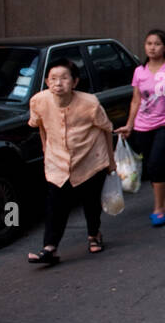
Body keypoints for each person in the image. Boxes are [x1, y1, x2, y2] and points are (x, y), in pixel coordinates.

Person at [27, 57, 115, 265]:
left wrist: (111, 161)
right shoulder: (39, 101)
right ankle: (50, 247)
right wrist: (45, 150)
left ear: (75, 82)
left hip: (90, 159)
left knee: (91, 202)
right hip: (57, 161)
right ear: (47, 82)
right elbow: (40, 125)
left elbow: (107, 129)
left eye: (64, 78)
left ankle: (94, 235)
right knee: (55, 204)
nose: (58, 83)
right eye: (53, 79)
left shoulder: (90, 103)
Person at [116, 29, 165, 227]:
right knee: (152, 165)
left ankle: (158, 208)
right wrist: (129, 125)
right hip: (143, 125)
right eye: (149, 43)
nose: (152, 47)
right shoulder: (139, 71)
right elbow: (135, 100)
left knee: (156, 162)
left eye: (157, 44)